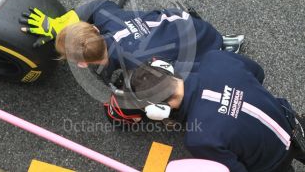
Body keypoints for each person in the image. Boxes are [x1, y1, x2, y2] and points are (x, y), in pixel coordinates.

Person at [114, 50, 305, 172]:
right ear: (166, 68)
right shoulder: (216, 58)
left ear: (159, 109)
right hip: (290, 120)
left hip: (272, 164)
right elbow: (258, 72)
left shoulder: (199, 138)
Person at [20, 0, 244, 82]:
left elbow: (181, 77)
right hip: (191, 25)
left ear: (82, 63)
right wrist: (59, 25)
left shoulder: (140, 68)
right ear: (96, 28)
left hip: (204, 45)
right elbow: (96, 5)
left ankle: (225, 50)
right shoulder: (110, 20)